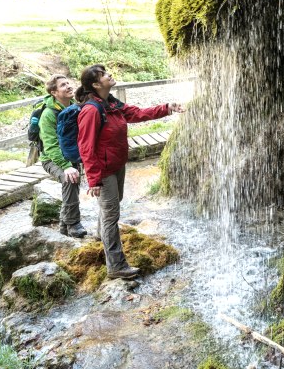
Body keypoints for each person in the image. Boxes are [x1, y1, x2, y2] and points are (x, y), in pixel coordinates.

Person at [75, 64, 184, 280]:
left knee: (113, 206)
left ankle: (100, 236)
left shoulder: (111, 103)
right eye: (105, 74)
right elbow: (85, 147)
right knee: (110, 215)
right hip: (104, 171)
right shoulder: (91, 110)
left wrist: (167, 107)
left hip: (117, 164)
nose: (110, 74)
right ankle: (116, 265)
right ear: (96, 84)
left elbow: (137, 113)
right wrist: (94, 180)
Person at [39, 74, 87, 238]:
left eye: (68, 83)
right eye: (62, 85)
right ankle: (73, 224)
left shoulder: (74, 106)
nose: (68, 86)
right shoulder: (48, 114)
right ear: (54, 92)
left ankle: (63, 228)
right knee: (70, 179)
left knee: (72, 183)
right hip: (51, 159)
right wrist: (66, 166)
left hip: (71, 155)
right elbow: (50, 146)